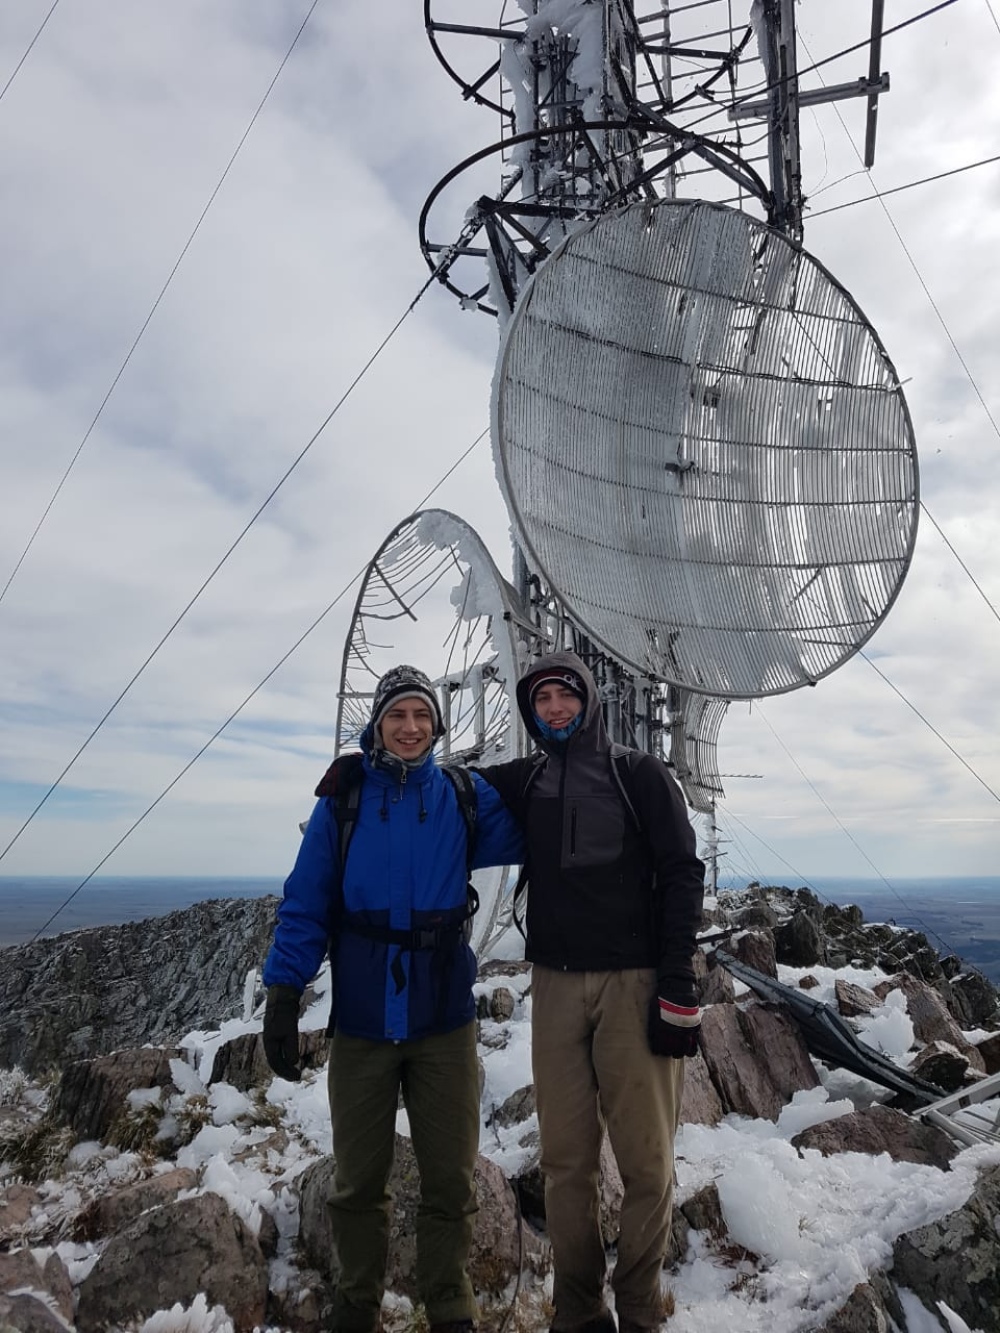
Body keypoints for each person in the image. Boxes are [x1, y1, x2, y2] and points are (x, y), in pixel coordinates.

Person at [262, 664, 523, 1333]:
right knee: (356, 1184)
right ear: (376, 724)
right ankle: (356, 1307)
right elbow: (306, 902)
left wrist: (572, 768)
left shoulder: (464, 797)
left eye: (422, 716)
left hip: (443, 1020)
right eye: (397, 716)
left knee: (450, 1181)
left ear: (437, 726)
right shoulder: (343, 803)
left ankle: (451, 1307)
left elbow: (540, 827)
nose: (410, 728)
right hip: (366, 1021)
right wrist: (283, 992)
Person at [477, 650, 705, 1333]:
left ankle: (637, 1307)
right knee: (565, 1162)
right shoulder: (529, 780)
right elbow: (446, 787)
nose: (553, 709)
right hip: (554, 987)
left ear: (589, 700)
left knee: (646, 1159)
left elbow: (682, 871)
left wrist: (677, 984)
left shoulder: (640, 775)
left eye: (565, 696)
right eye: (541, 699)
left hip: (633, 984)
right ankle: (577, 1311)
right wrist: (366, 773)